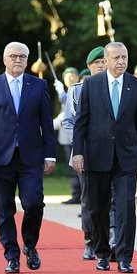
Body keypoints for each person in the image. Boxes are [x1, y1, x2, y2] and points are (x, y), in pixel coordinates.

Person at [0, 41, 56, 274]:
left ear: (27, 60)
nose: (18, 60)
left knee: (33, 204)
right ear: (4, 59)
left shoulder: (38, 86)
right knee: (4, 208)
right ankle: (11, 255)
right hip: (0, 158)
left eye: (22, 56)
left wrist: (50, 155)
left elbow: (46, 124)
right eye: (13, 56)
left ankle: (29, 245)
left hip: (31, 157)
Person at [71, 42, 137, 273]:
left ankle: (125, 257)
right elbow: (81, 123)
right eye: (116, 58)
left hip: (127, 157)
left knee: (126, 206)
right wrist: (78, 152)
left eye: (124, 57)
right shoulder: (91, 85)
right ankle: (102, 252)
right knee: (98, 208)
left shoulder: (136, 86)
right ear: (105, 61)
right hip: (97, 155)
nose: (121, 62)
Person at [61, 46, 106, 260]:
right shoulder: (77, 90)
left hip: (111, 152)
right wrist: (81, 142)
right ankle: (90, 239)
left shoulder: (117, 87)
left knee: (113, 198)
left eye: (104, 61)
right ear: (89, 66)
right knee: (89, 198)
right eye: (97, 63)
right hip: (86, 153)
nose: (101, 65)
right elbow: (68, 122)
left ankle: (110, 238)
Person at [54, 67, 81, 204]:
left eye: (72, 76)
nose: (70, 79)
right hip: (66, 136)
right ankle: (76, 193)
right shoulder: (66, 93)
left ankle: (80, 194)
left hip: (78, 136)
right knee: (72, 168)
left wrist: (61, 92)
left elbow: (68, 101)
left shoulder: (76, 90)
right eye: (67, 77)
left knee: (79, 169)